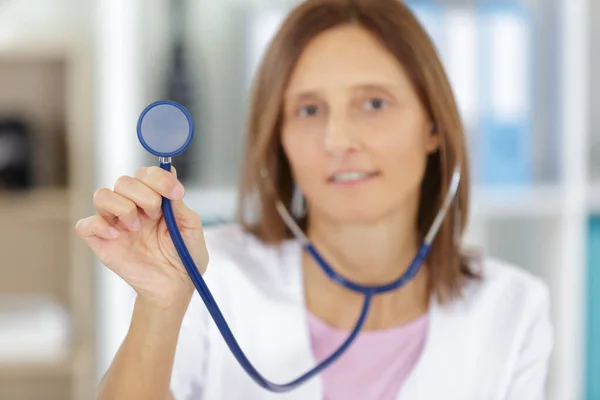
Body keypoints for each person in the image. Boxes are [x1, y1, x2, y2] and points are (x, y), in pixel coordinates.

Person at [75, 0, 553, 399]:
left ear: (434, 125)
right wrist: (160, 305)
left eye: (374, 103)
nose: (337, 139)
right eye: (308, 109)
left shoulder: (514, 308)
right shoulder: (207, 276)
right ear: (277, 136)